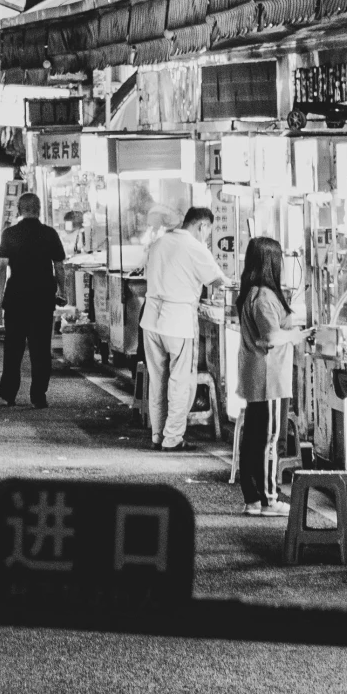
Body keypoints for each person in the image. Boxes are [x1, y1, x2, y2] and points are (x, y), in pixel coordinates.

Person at [141, 205, 227, 452]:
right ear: (203, 226)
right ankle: (173, 438)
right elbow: (218, 280)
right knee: (180, 381)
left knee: (157, 380)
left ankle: (158, 434)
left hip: (151, 320)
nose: (207, 237)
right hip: (177, 321)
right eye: (208, 232)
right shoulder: (195, 247)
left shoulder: (158, 243)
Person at [236, 235, 306, 514]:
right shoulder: (264, 296)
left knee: (253, 438)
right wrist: (297, 334)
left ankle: (253, 498)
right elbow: (271, 336)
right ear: (271, 262)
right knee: (270, 439)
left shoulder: (251, 292)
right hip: (271, 379)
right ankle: (269, 498)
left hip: (257, 377)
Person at [0, 191, 66, 407]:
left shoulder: (9, 233)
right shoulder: (50, 234)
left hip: (16, 296)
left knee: (13, 346)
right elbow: (59, 266)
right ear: (39, 210)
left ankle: (9, 392)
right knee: (41, 348)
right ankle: (38, 395)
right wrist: (61, 291)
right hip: (43, 297)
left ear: (19, 210)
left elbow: (1, 268)